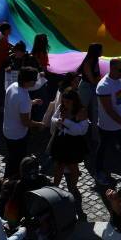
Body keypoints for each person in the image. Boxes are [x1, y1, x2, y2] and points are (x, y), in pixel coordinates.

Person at [95, 58, 121, 185]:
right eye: (120, 70)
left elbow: (120, 99)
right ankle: (98, 172)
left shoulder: (120, 79)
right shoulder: (104, 86)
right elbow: (109, 110)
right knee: (103, 149)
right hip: (107, 126)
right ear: (112, 69)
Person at [49, 88, 89, 220]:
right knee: (59, 164)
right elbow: (54, 118)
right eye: (64, 101)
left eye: (68, 102)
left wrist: (65, 122)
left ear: (74, 101)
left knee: (73, 166)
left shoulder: (81, 111)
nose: (65, 104)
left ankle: (72, 187)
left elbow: (80, 131)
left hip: (74, 143)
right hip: (61, 140)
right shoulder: (61, 107)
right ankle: (55, 187)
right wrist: (58, 122)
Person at [2, 66, 45, 179]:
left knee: (11, 157)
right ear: (28, 81)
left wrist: (32, 102)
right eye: (34, 80)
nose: (35, 82)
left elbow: (17, 105)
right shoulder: (23, 97)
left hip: (7, 129)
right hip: (17, 135)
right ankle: (10, 181)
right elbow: (26, 122)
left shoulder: (13, 86)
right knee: (15, 162)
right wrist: (39, 124)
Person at [0, 157, 52, 230]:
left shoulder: (16, 185)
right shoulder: (43, 179)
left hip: (22, 216)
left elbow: (9, 204)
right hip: (39, 213)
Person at [77, 43, 103, 157]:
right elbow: (92, 79)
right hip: (86, 87)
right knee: (82, 109)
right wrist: (99, 83)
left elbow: (96, 77)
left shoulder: (95, 61)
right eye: (101, 50)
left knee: (95, 112)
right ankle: (77, 133)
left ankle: (94, 137)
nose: (102, 52)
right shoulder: (88, 62)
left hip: (92, 87)